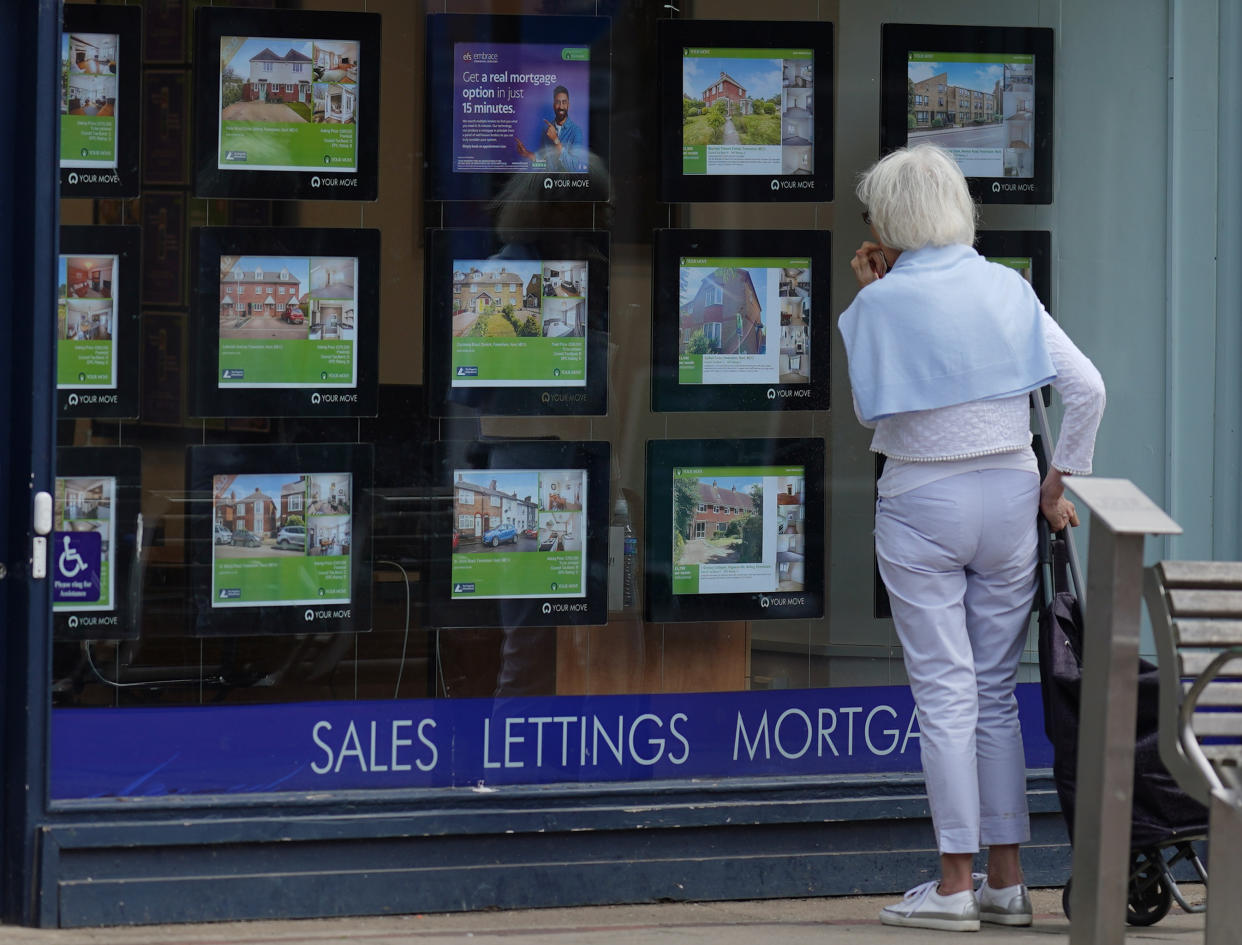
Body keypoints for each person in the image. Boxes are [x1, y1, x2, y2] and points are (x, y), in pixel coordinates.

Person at [838, 145, 1105, 933]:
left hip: (922, 496)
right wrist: (1060, 480)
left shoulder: (877, 303)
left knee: (946, 693)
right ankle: (1006, 881)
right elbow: (1087, 387)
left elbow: (870, 416)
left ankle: (954, 883)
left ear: (889, 222)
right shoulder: (1008, 286)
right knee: (993, 692)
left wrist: (875, 300)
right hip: (1012, 493)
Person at [514, 85, 584, 172]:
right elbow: (544, 164)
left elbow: (574, 167)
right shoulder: (546, 130)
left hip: (567, 184)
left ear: (568, 105)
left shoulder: (576, 131)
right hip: (548, 182)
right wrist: (528, 155)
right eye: (558, 102)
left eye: (564, 102)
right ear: (553, 105)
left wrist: (555, 140)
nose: (561, 106)